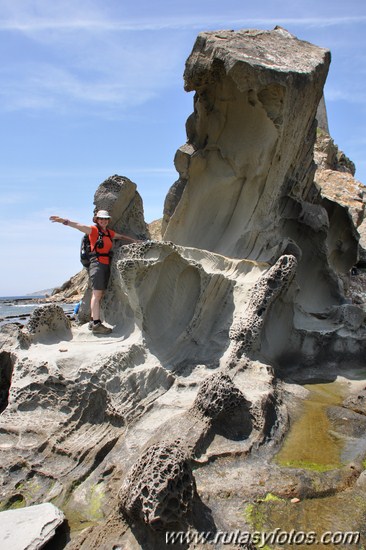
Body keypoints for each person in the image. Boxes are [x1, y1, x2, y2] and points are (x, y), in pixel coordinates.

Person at [50, 210, 138, 334]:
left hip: (104, 264)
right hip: (97, 264)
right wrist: (63, 221)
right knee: (97, 295)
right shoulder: (93, 230)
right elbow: (78, 226)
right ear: (96, 220)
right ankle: (97, 324)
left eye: (106, 219)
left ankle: (93, 321)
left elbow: (121, 236)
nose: (104, 221)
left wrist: (135, 241)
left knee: (98, 294)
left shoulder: (108, 233)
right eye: (101, 219)